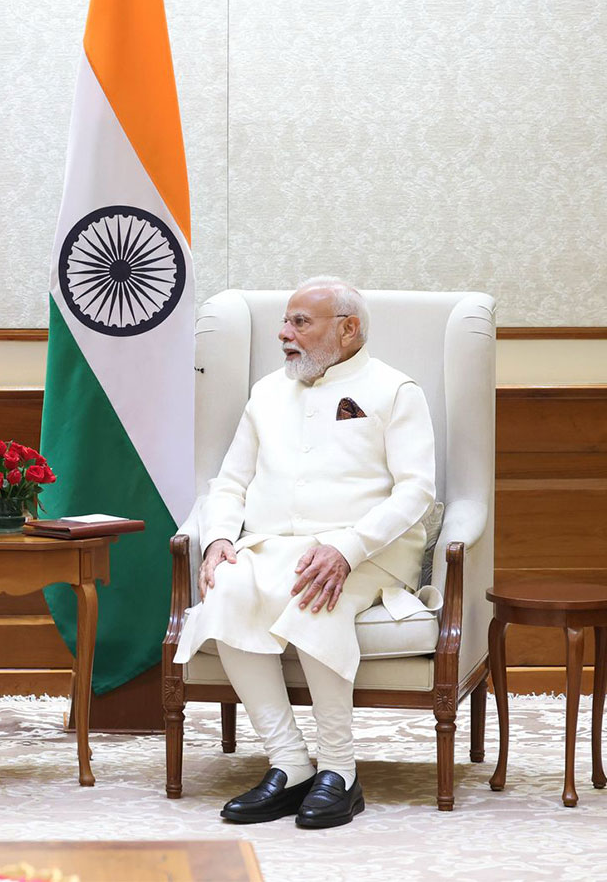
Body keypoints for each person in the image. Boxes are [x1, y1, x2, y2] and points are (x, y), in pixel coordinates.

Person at [173, 276, 436, 828]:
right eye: (285, 321)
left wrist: (345, 548)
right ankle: (290, 764)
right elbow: (230, 481)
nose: (283, 333)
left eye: (299, 322)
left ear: (347, 329)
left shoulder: (395, 389)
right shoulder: (267, 392)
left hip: (367, 550)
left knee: (318, 594)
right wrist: (220, 538)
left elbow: (417, 490)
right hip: (274, 545)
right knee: (228, 590)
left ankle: (340, 771)